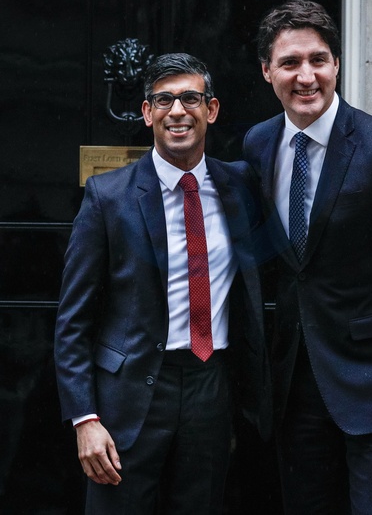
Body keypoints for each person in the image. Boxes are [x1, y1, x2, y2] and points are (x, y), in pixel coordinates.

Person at [242, 0, 372, 514]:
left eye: (318, 60)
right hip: (295, 388)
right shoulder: (258, 145)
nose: (305, 76)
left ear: (336, 64)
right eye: (290, 63)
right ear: (267, 71)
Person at [54, 52, 271, 514]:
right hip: (127, 395)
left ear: (211, 110)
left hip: (211, 385)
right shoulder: (108, 197)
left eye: (190, 98)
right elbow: (73, 320)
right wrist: (84, 418)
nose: (178, 111)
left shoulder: (241, 186)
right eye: (164, 100)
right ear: (147, 112)